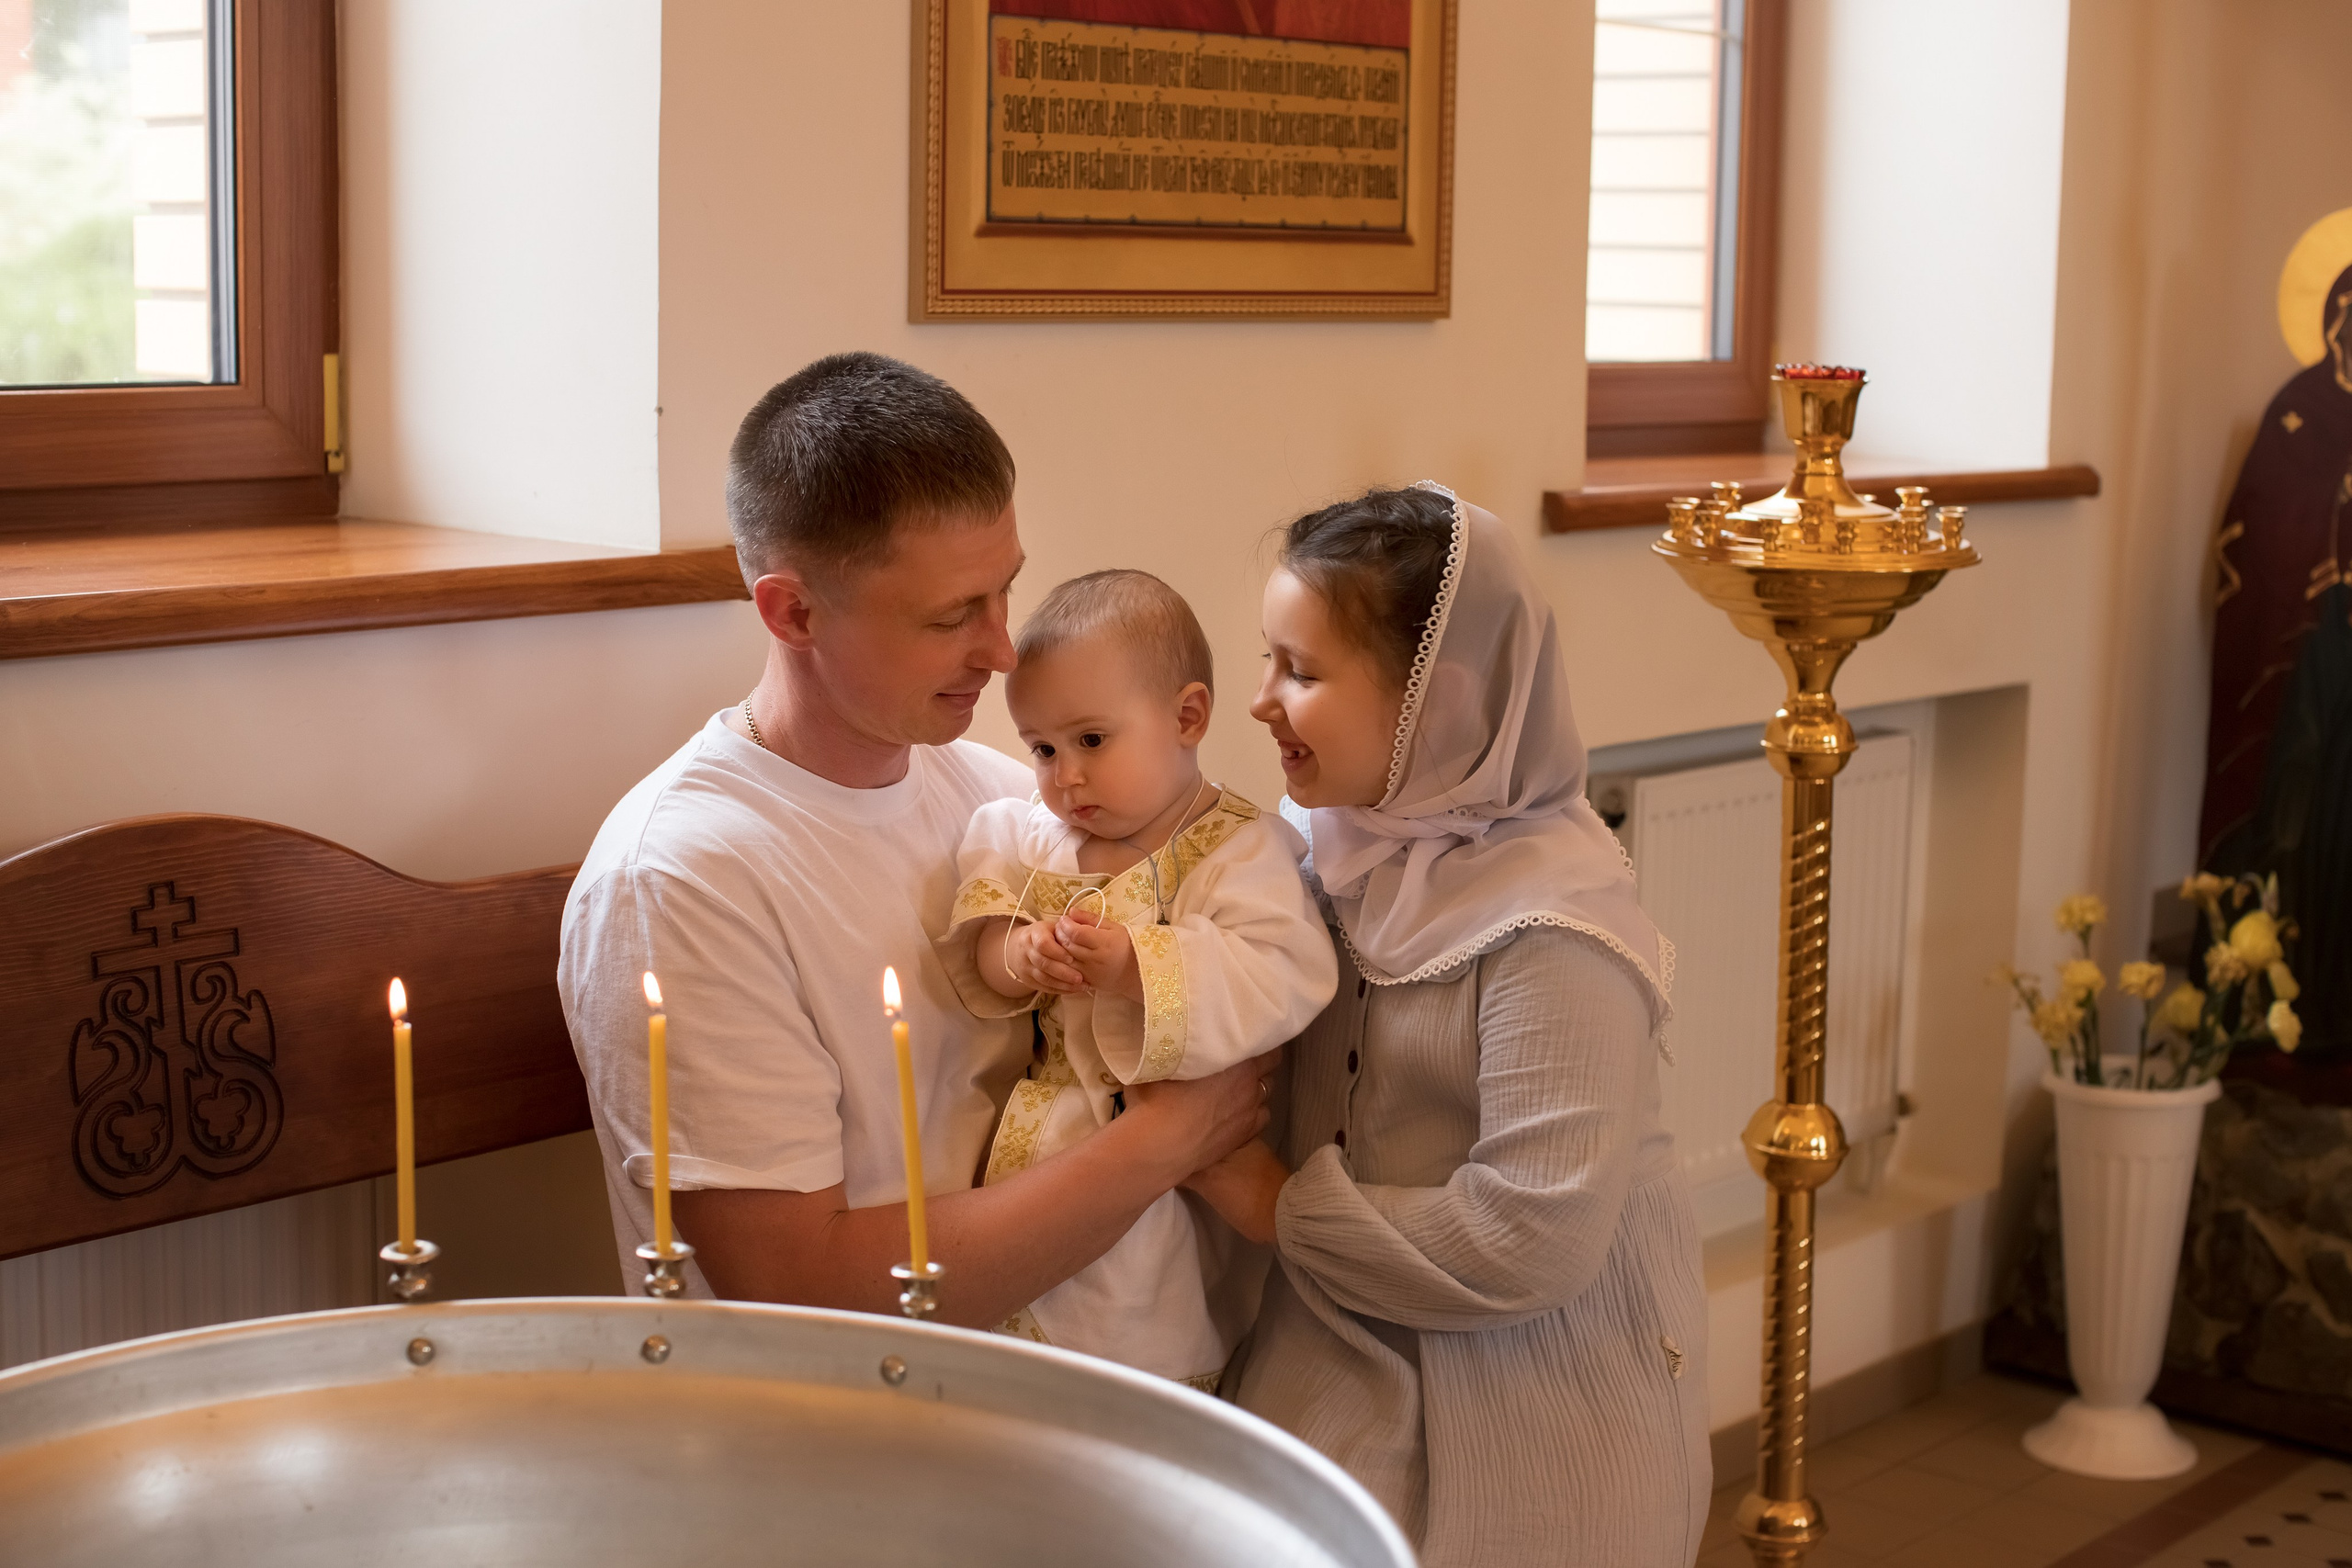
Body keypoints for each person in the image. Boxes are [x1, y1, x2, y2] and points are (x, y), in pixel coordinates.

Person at [558, 353, 1274, 1322]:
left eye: (1003, 592)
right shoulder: (682, 882)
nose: (1003, 649)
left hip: (1066, 1361)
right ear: (794, 611)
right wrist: (1161, 1145)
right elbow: (799, 1289)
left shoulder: (1006, 795)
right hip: (840, 1433)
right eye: (951, 617)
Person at [1192, 482, 1711, 1567]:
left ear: (1441, 698)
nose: (1258, 700)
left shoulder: (1553, 933)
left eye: (1302, 670)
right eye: (1267, 658)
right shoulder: (1324, 852)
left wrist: (1280, 1209)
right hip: (1333, 1354)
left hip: (1532, 1411)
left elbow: (1531, 1237)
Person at [937, 570, 1336, 1386]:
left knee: (1135, 1331)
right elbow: (982, 944)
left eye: (1091, 741)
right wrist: (1022, 955)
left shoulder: (1235, 848)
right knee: (1016, 1339)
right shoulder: (1027, 834)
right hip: (1036, 1136)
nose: (1064, 777)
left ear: (1187, 717)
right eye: (1041, 748)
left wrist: (1137, 967)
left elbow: (1282, 970)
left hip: (1166, 1154)